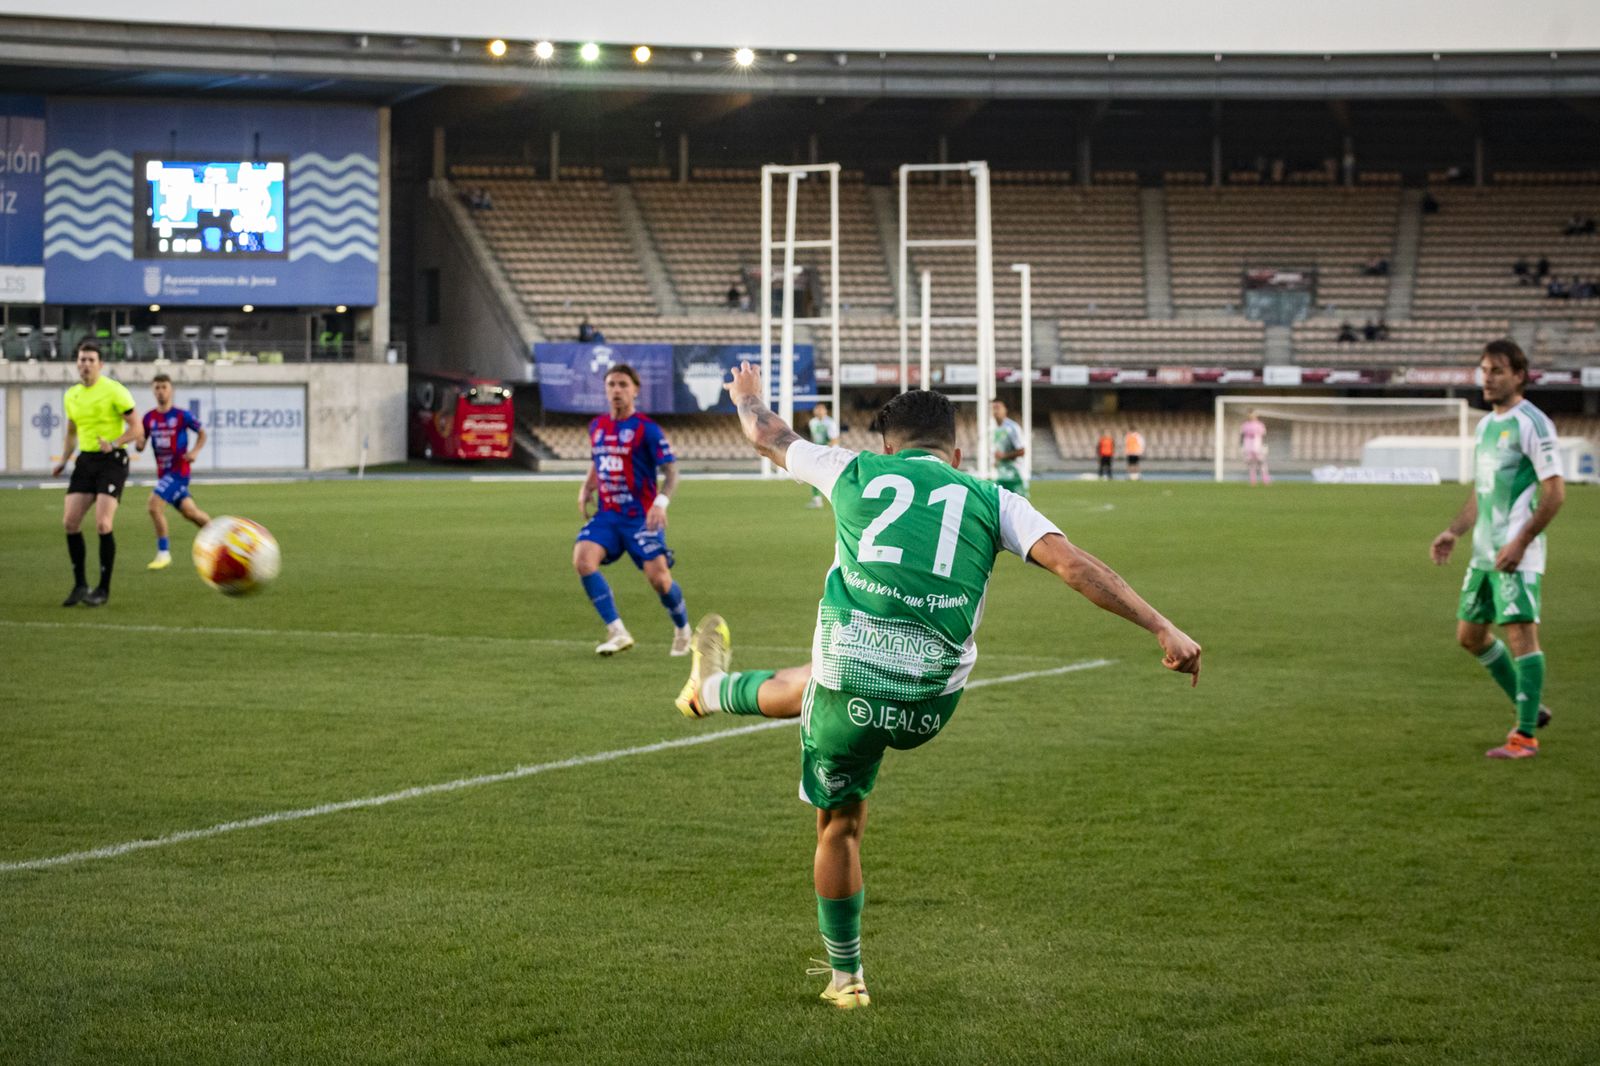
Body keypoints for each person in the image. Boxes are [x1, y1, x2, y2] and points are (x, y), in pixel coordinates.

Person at [673, 363, 1202, 1009]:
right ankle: (709, 691)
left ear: (887, 448)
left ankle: (847, 980)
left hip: (851, 697)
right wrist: (1162, 627)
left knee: (838, 821)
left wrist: (746, 393)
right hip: (929, 706)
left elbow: (766, 433)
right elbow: (1074, 566)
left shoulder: (854, 469)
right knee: (814, 679)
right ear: (956, 451)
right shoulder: (992, 497)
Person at [1429, 339, 1564, 760]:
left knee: (1521, 633)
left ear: (1519, 376)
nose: (1486, 378)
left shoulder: (1533, 423)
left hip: (1515, 553)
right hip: (1484, 552)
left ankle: (1525, 736)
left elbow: (1555, 493)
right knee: (1470, 637)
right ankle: (1531, 704)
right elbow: (1482, 491)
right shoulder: (1487, 426)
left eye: (1497, 371)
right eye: (1484, 370)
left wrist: (1521, 542)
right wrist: (1455, 531)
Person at [574, 363, 692, 657]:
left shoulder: (646, 429)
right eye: (612, 384)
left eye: (623, 384)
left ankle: (682, 629)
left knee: (660, 580)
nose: (617, 390)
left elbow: (672, 472)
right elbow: (598, 461)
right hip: (608, 514)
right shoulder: (597, 427)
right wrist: (587, 487)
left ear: (635, 390)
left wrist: (661, 502)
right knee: (583, 559)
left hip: (641, 517)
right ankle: (617, 630)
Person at [52, 340, 143, 607]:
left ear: (100, 365)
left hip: (112, 461)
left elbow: (137, 427)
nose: (86, 364)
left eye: (91, 360)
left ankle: (102, 589)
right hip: (86, 461)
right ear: (77, 363)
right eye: (82, 359)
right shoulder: (71, 395)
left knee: (103, 524)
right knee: (70, 522)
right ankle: (80, 584)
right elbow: (71, 432)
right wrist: (64, 460)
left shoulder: (115, 391)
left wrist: (116, 442)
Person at [138, 373, 211, 570]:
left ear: (171, 390)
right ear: (153, 391)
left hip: (179, 472)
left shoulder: (181, 415)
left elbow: (202, 432)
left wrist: (195, 451)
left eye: (164, 387)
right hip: (164, 474)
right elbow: (141, 443)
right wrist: (137, 443)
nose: (161, 391)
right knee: (191, 513)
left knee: (154, 506)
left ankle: (163, 553)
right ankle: (219, 535)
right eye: (157, 388)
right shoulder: (149, 418)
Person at [805, 402, 840, 508]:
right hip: (818, 452)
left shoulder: (830, 423)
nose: (819, 411)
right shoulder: (812, 422)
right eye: (817, 409)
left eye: (821, 409)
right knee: (813, 474)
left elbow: (834, 439)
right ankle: (817, 500)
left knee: (833, 477)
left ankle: (838, 499)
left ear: (825, 411)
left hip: (829, 453)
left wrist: (825, 450)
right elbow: (814, 438)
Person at [990, 399, 1028, 497]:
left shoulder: (1012, 427)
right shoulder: (993, 428)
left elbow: (1022, 451)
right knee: (999, 506)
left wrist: (1003, 456)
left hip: (1015, 475)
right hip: (1001, 475)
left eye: (998, 407)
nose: (995, 411)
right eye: (993, 408)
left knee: (1020, 506)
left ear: (1005, 410)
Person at [1239, 409, 1270, 486]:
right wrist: (1242, 445)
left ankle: (1265, 480)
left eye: (1253, 414)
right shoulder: (1245, 425)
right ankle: (1253, 481)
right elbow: (1242, 435)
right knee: (1251, 464)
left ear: (1256, 415)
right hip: (1248, 446)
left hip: (1257, 446)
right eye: (1249, 414)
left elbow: (1263, 435)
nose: (1251, 416)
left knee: (1262, 463)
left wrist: (1264, 446)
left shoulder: (1260, 425)